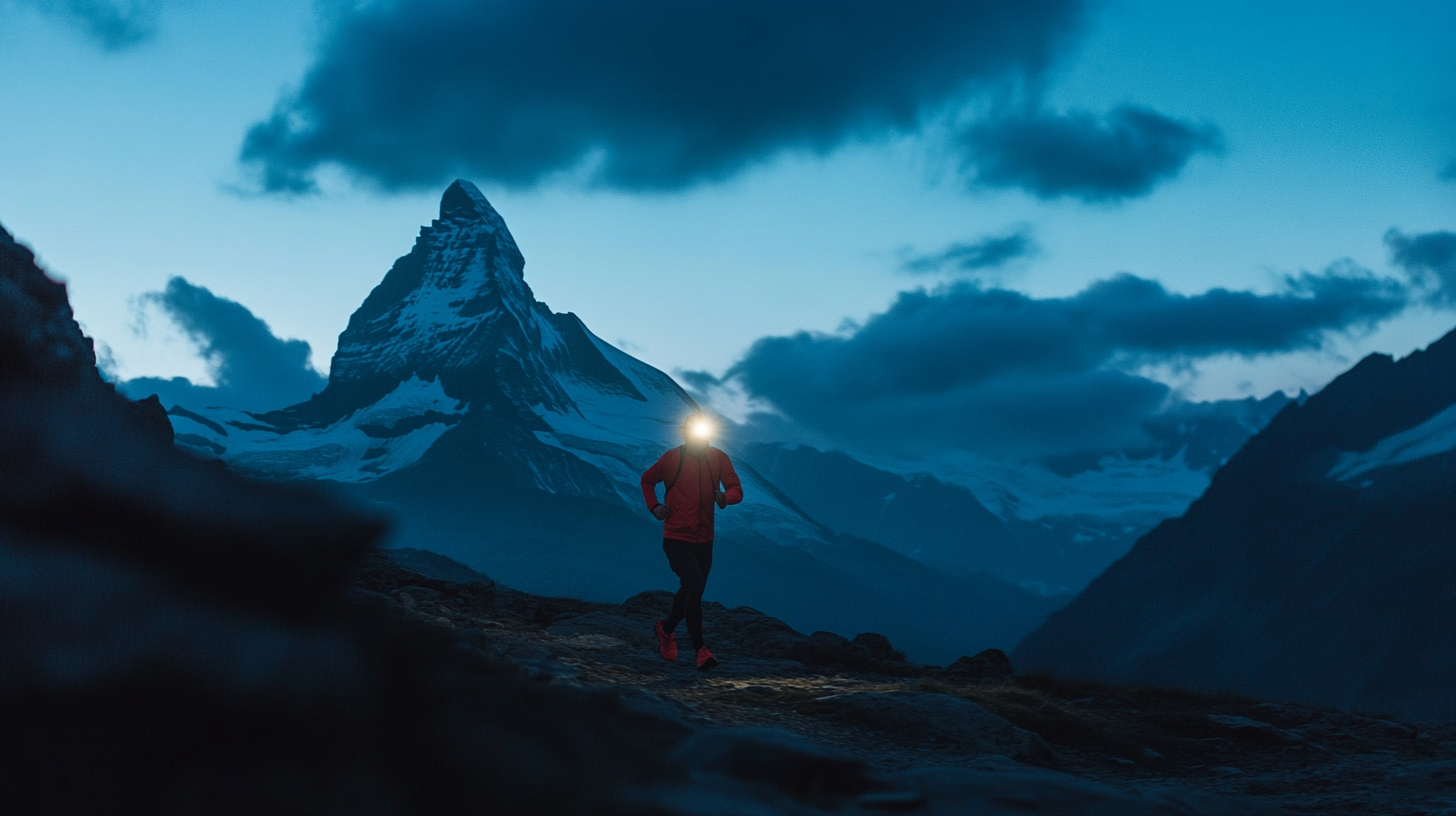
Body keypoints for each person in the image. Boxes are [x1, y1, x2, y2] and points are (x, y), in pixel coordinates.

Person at [640, 414, 743, 670]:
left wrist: (724, 497)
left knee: (690, 590)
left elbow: (736, 489)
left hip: (705, 540)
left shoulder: (718, 458)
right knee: (694, 584)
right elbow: (647, 480)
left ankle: (666, 629)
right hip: (675, 537)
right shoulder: (672, 458)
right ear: (685, 434)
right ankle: (701, 651)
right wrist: (653, 506)